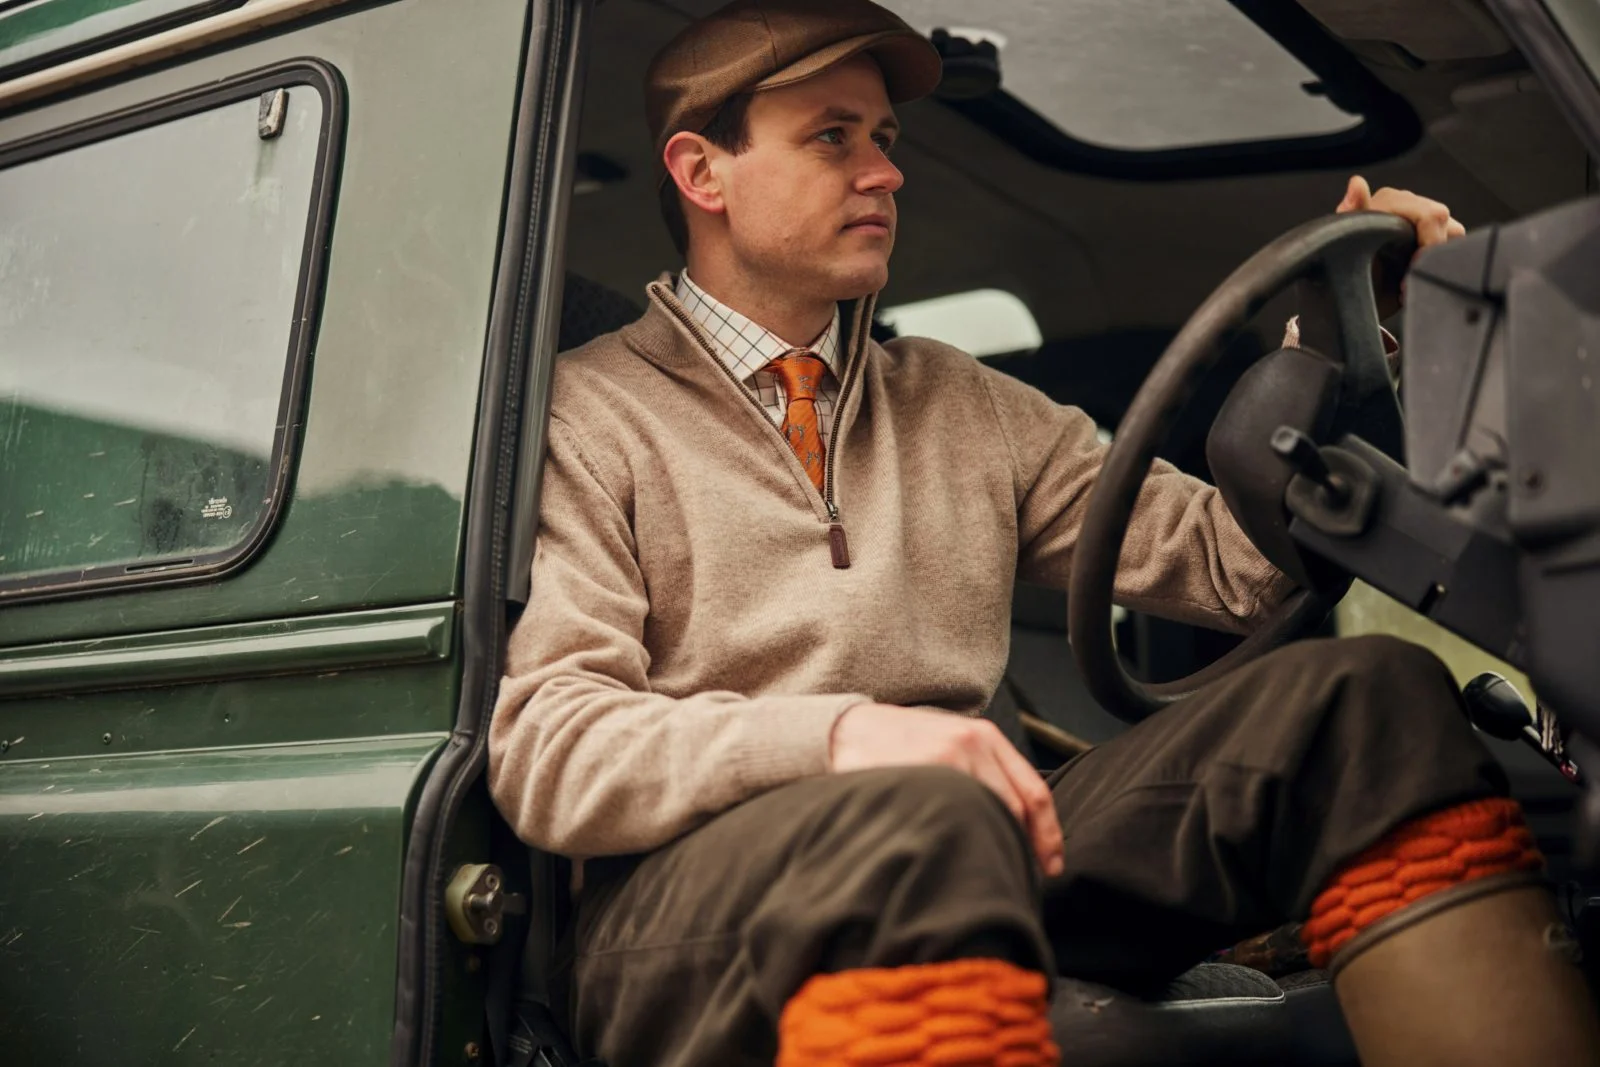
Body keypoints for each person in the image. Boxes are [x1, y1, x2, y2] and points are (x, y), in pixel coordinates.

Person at [488, 2, 1600, 1065]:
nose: (884, 170)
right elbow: (550, 745)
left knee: (1365, 702)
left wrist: (1329, 345)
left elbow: (1233, 570)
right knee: (923, 817)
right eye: (832, 138)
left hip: (966, 845)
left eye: (882, 136)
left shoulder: (959, 402)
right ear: (700, 173)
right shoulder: (584, 414)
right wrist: (844, 738)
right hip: (690, 916)